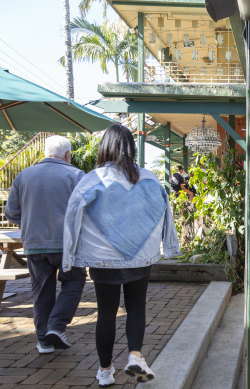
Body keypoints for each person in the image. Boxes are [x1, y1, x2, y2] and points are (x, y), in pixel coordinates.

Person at [62, 124, 180, 386]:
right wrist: (169, 247)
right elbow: (165, 214)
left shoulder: (93, 179)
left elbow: (72, 216)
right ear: (132, 148)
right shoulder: (150, 179)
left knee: (106, 312)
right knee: (136, 306)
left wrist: (69, 257)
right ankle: (136, 356)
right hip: (140, 256)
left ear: (105, 147)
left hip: (103, 258)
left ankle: (105, 372)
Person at [5, 136, 86, 354]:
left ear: (45, 152)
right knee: (74, 281)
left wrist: (30, 222)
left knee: (41, 291)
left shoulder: (24, 176)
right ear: (67, 155)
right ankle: (57, 326)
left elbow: (11, 212)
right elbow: (87, 211)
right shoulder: (76, 175)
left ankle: (43, 341)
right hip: (67, 245)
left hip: (34, 244)